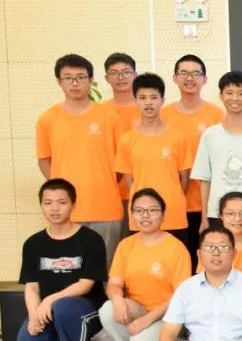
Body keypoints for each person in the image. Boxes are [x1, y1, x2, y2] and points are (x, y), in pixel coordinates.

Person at [16, 178, 107, 341]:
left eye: (62, 202)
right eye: (48, 203)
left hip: (87, 309)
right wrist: (34, 316)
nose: (54, 208)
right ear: (41, 205)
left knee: (64, 307)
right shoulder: (32, 243)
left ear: (73, 205)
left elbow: (85, 285)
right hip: (52, 311)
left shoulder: (91, 240)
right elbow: (31, 287)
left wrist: (49, 300)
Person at [36, 54, 123, 265]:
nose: (75, 83)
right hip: (67, 210)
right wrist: (60, 192)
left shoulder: (110, 117)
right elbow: (44, 160)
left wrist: (106, 184)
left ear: (91, 80)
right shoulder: (47, 119)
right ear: (59, 82)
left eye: (81, 77)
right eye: (68, 78)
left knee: (105, 269)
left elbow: (122, 163)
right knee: (69, 269)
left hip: (106, 207)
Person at [99, 188, 191, 341]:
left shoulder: (176, 248)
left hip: (168, 315)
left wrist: (147, 320)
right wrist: (118, 299)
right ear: (132, 215)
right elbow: (114, 284)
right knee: (107, 310)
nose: (145, 215)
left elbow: (181, 296)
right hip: (139, 309)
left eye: (152, 210)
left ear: (163, 215)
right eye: (139, 211)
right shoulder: (126, 245)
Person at [163, 54, 226, 270]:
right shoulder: (164, 114)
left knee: (209, 262)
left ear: (204, 79)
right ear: (174, 78)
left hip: (208, 204)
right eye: (184, 73)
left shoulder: (216, 114)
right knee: (179, 263)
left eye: (195, 74)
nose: (189, 78)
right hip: (173, 204)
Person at [192, 71, 242, 238]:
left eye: (241, 93)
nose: (235, 98)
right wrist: (204, 218)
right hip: (217, 214)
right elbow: (205, 180)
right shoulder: (210, 135)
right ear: (221, 96)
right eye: (229, 93)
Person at [115, 73, 192, 237]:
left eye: (154, 97)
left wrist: (173, 197)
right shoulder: (126, 140)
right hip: (141, 218)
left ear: (162, 100)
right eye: (142, 98)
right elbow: (130, 182)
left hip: (173, 215)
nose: (148, 102)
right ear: (135, 101)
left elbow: (184, 180)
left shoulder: (178, 137)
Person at [101, 52, 140, 222]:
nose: (121, 77)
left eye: (126, 72)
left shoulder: (149, 109)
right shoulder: (100, 112)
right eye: (114, 73)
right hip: (110, 193)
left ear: (135, 75)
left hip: (144, 192)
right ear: (106, 78)